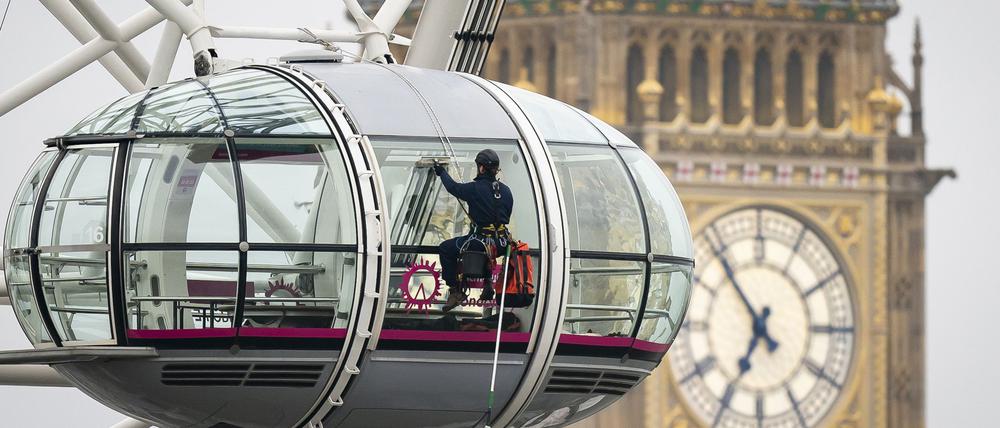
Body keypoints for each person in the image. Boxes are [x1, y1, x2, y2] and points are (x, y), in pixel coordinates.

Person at [435, 149, 514, 313]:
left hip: (481, 242)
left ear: (482, 168)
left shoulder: (475, 188)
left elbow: (453, 187)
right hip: (502, 243)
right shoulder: (506, 191)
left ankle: (456, 291)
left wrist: (441, 172)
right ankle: (487, 284)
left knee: (447, 248)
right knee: (480, 247)